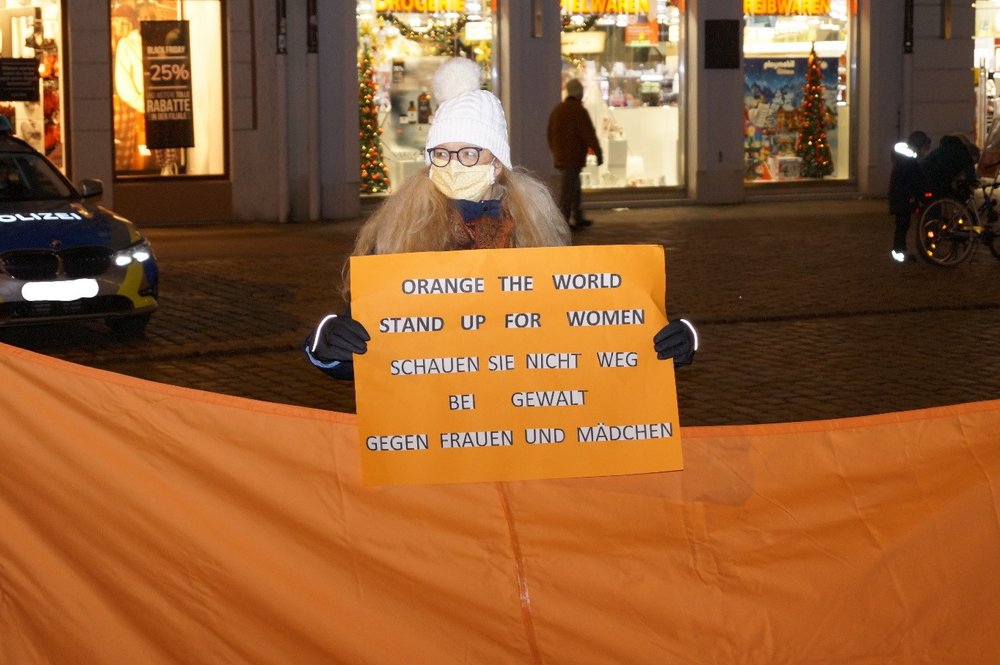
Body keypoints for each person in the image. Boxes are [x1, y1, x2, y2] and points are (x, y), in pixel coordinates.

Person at [304, 57, 696, 380]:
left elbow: (581, 335)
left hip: (515, 429)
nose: (454, 164)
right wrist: (328, 343)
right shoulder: (400, 233)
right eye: (441, 154)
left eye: (470, 153)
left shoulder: (535, 233)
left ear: (497, 164)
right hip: (435, 429)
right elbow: (364, 349)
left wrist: (661, 338)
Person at [547, 78, 603, 230]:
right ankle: (563, 221)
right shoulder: (578, 111)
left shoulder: (558, 110)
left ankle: (577, 217)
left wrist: (556, 151)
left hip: (562, 156)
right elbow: (588, 134)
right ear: (579, 93)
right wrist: (598, 152)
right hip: (573, 157)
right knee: (569, 191)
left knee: (574, 187)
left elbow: (550, 134)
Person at [887, 130, 930, 263]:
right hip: (902, 197)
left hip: (899, 195)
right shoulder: (909, 160)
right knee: (903, 225)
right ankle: (899, 254)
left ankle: (900, 253)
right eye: (924, 147)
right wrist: (923, 196)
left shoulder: (904, 158)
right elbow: (915, 180)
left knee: (902, 225)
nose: (925, 151)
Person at [920, 133, 980, 202]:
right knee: (955, 195)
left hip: (925, 171)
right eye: (973, 162)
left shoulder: (951, 148)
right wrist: (974, 182)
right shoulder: (963, 152)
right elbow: (970, 172)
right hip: (933, 175)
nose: (972, 164)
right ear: (971, 155)